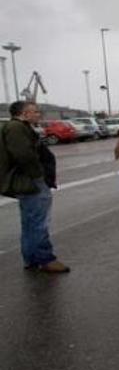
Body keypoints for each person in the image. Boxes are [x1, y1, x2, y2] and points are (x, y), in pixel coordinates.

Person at [0, 101, 67, 273]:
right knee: (38, 222)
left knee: (30, 221)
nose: (38, 114)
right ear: (24, 113)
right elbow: (23, 154)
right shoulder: (16, 128)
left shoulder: (20, 127)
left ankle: (31, 258)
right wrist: (38, 175)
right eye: (35, 111)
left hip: (29, 181)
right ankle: (45, 258)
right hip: (31, 182)